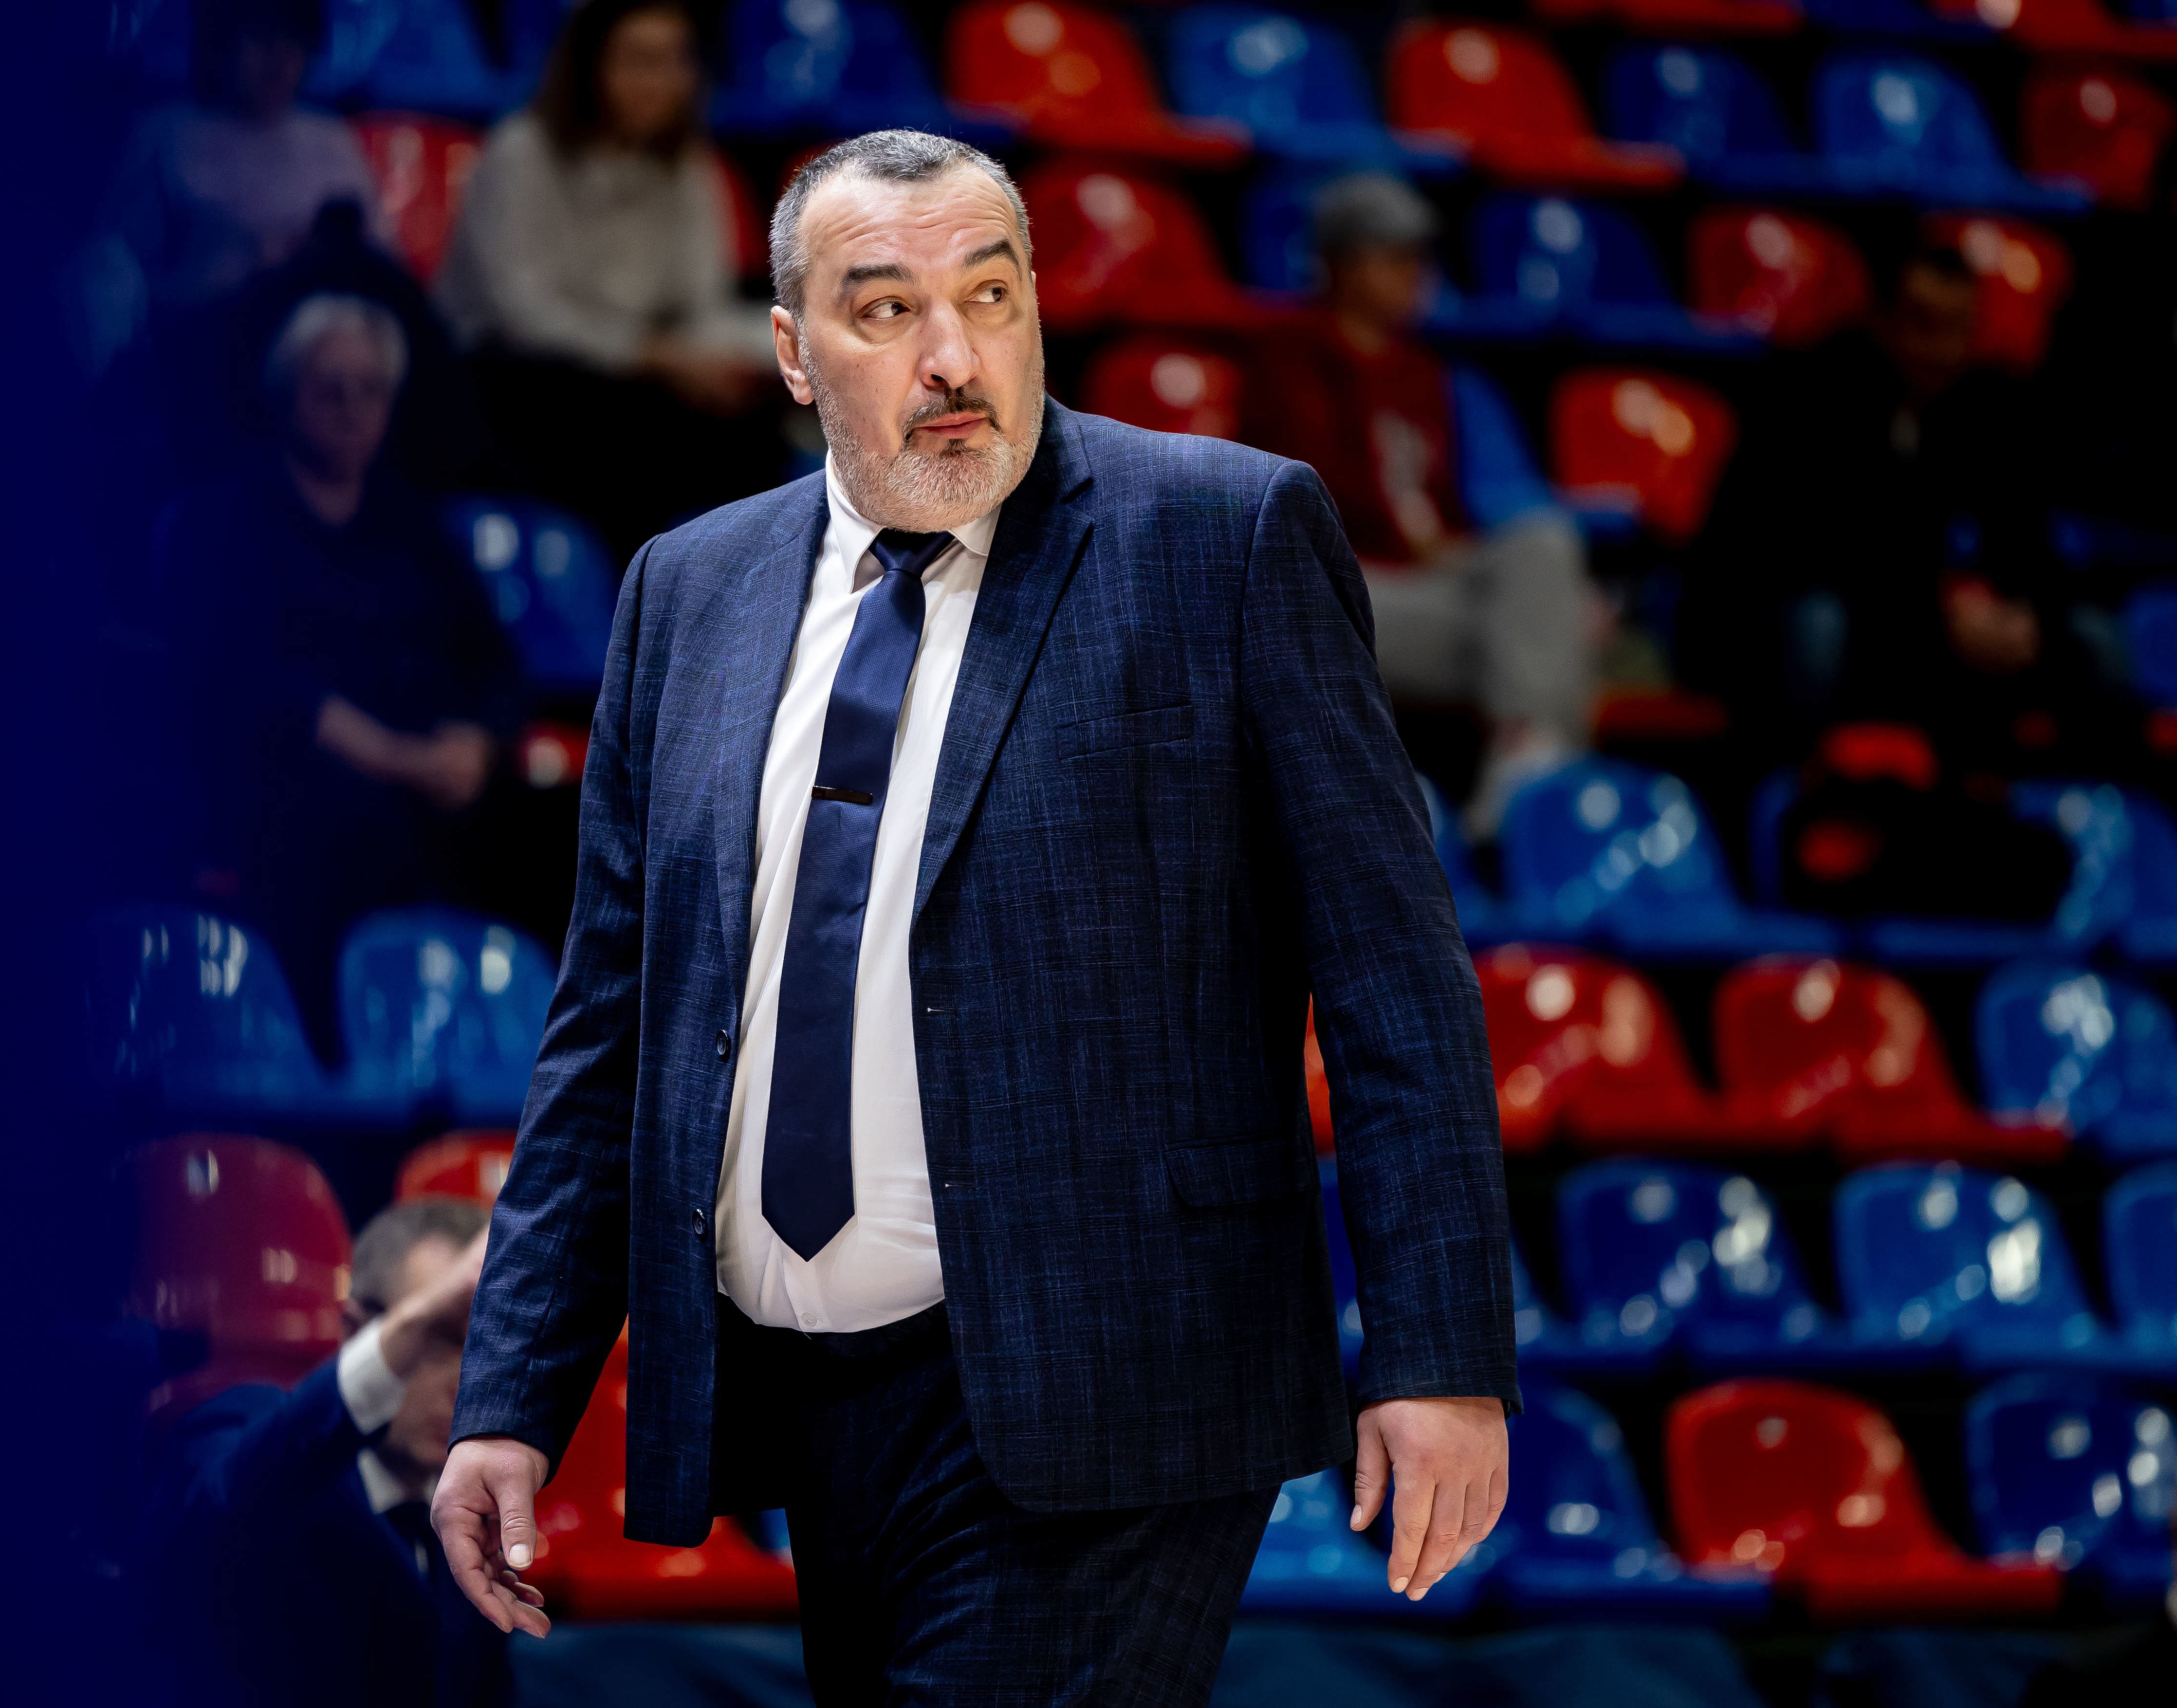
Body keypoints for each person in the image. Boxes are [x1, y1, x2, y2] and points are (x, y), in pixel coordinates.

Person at [430, 131, 1518, 1705]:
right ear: (792, 352)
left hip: (1121, 1380)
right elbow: (611, 1029)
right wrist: (508, 1395)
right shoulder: (687, 590)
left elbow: (1393, 980)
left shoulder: (1222, 536)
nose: (952, 356)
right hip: (813, 1406)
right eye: (886, 310)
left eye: (988, 296)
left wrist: (1440, 1355)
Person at [154, 293, 523, 1049]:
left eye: (370, 391)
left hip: (429, 783)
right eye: (331, 391)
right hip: (295, 791)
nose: (353, 412)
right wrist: (395, 759)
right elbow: (246, 682)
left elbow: (494, 663)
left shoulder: (413, 525)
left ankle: (513, 1061)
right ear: (287, 396)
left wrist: (479, 746)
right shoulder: (226, 521)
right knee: (351, 831)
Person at [1245, 172, 1596, 835]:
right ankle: (1536, 803)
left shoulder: (1421, 372)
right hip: (1344, 588)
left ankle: (1524, 762)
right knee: (1549, 631)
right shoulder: (1286, 361)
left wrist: (1446, 552)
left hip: (1426, 581)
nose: (1417, 273)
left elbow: (1439, 513)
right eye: (1396, 256)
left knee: (1542, 544)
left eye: (1419, 256)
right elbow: (1297, 509)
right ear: (1344, 264)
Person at [1680, 243, 2082, 769]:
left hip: (1915, 629)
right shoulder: (1812, 392)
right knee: (1818, 629)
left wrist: (2025, 615)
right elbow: (1807, 557)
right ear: (1882, 321)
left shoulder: (1984, 407)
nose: (1941, 349)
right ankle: (1779, 795)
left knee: (2088, 640)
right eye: (1924, 325)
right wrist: (1942, 617)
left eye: (1957, 328)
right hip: (1772, 620)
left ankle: (2058, 806)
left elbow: (2027, 540)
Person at [433, 0, 784, 559]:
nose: (662, 81)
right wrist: (656, 357)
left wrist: (737, 362)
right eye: (641, 60)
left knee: (756, 434)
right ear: (590, 66)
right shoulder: (521, 152)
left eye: (676, 61)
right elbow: (524, 315)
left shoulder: (688, 164)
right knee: (617, 437)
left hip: (635, 373)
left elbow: (701, 303)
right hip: (515, 377)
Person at [140, 1197, 513, 1708]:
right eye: (441, 1337)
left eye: (485, 1351)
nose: (464, 1382)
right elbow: (220, 1510)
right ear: (358, 1331)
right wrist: (415, 1321)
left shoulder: (476, 1517)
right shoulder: (255, 1430)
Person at [71, 0, 393, 378]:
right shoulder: (166, 137)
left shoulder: (331, 138)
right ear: (221, 41)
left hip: (329, 343)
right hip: (213, 347)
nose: (280, 59)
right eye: (262, 38)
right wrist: (249, 269)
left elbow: (385, 260)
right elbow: (115, 286)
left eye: (294, 42)